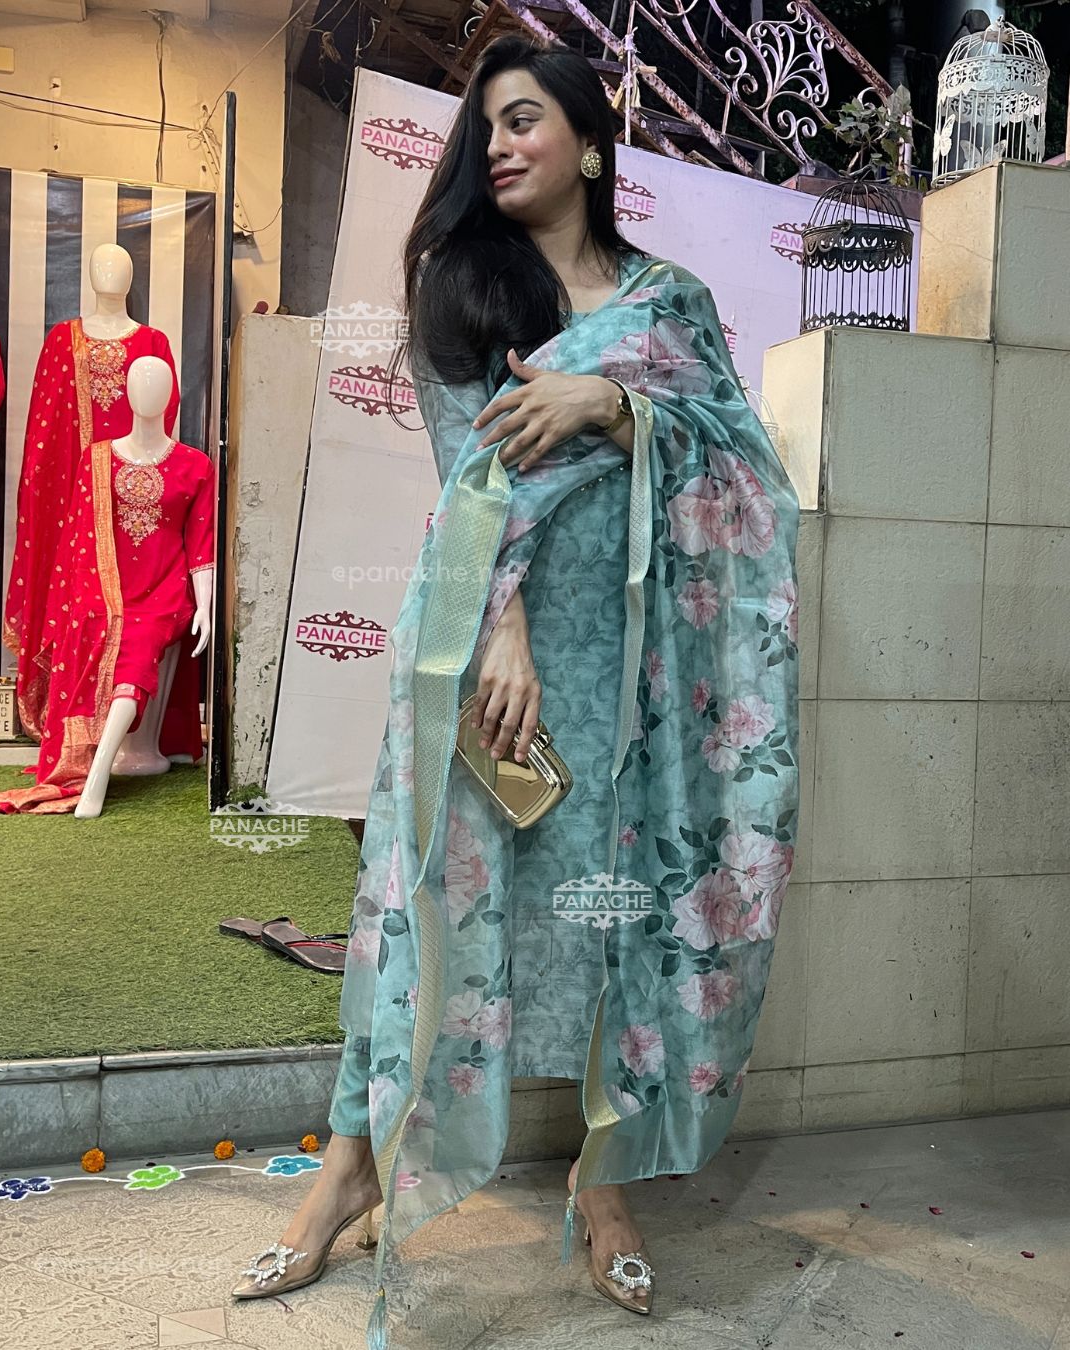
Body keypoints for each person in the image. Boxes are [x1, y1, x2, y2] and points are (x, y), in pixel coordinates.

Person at [232, 33, 801, 1348]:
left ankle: (604, 1183)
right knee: (428, 893)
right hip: (483, 643)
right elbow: (469, 484)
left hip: (634, 659)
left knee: (614, 913)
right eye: (484, 125)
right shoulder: (464, 289)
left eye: (526, 118)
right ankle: (349, 1167)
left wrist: (615, 403)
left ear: (590, 145)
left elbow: (746, 470)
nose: (496, 144)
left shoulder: (669, 306)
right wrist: (504, 635)